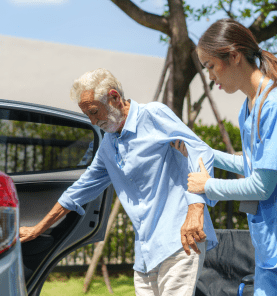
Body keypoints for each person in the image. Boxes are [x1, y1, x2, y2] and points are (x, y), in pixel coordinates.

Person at [19, 68, 218, 296]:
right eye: (88, 116)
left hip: (180, 238)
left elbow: (200, 150)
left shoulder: (152, 115)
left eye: (94, 112)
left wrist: (195, 209)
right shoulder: (108, 145)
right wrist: (38, 228)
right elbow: (80, 189)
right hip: (146, 251)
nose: (93, 121)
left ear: (114, 97)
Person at [173, 18, 277, 296]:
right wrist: (207, 153)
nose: (209, 76)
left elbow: (262, 186)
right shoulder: (249, 106)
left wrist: (206, 186)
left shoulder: (273, 105)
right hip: (268, 251)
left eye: (210, 66)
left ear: (233, 56)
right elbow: (253, 166)